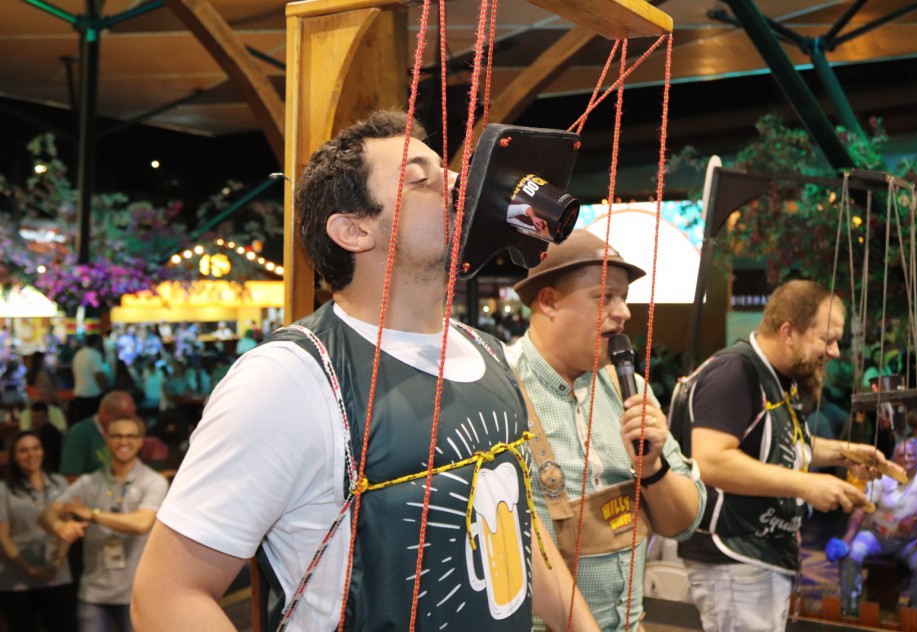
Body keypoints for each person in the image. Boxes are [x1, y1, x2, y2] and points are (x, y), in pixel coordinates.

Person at [132, 110, 598, 631]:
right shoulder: (290, 378)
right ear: (353, 230)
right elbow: (166, 595)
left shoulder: (487, 352)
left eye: (444, 170)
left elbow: (518, 528)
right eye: (420, 178)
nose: (456, 182)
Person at [507, 229, 706, 631]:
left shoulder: (627, 390)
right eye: (604, 298)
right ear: (549, 302)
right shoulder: (500, 391)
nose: (624, 312)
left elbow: (683, 523)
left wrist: (653, 468)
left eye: (624, 299)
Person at [676, 279, 887, 632]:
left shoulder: (780, 376)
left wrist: (844, 452)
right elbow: (711, 460)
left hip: (761, 554)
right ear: (789, 332)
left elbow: (785, 443)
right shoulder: (735, 372)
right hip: (733, 556)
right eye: (827, 339)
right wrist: (805, 485)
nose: (835, 352)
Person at [40, 416, 168, 632]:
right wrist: (60, 526)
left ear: (140, 441)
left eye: (130, 436)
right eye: (117, 436)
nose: (123, 441)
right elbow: (47, 513)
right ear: (106, 440)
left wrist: (92, 514)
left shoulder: (154, 481)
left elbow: (141, 523)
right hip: (93, 592)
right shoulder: (90, 482)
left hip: (137, 593)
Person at [839, 439, 917, 615]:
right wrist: (848, 537)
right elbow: (862, 509)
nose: (906, 458)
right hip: (875, 536)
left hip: (911, 541)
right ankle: (849, 609)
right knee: (850, 553)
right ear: (893, 459)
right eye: (901, 455)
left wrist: (915, 517)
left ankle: (915, 616)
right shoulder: (881, 475)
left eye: (911, 455)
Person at [0, 431, 74, 632]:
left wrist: (58, 562)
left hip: (58, 575)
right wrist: (30, 570)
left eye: (36, 448)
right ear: (14, 456)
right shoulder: (4, 490)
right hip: (18, 580)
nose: (31, 455)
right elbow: (3, 538)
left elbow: (67, 526)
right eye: (24, 450)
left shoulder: (59, 483)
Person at [60, 391, 137, 482]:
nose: (128, 423)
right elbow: (70, 478)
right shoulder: (80, 434)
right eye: (124, 418)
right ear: (106, 413)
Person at [71, 335, 110, 423]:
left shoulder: (78, 354)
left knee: (82, 421)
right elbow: (99, 375)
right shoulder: (95, 355)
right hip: (92, 394)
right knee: (94, 422)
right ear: (98, 343)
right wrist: (106, 388)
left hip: (79, 393)